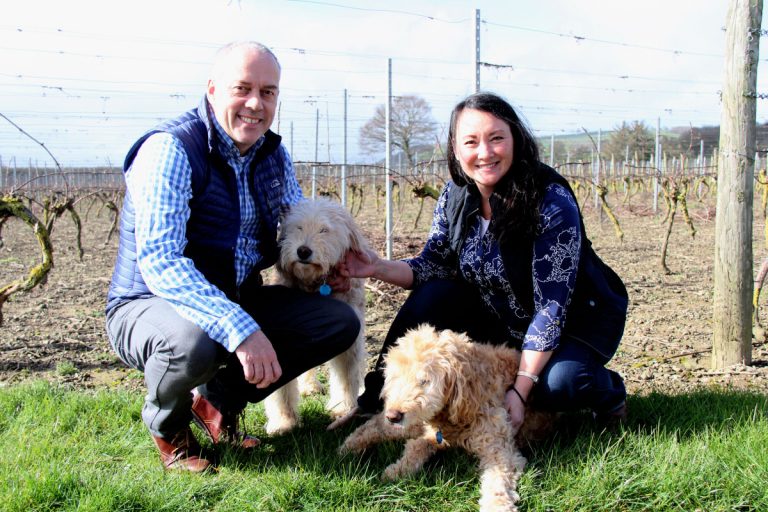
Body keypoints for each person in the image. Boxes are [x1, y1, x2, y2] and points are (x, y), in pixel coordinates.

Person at [105, 41, 360, 472]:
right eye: (242, 89)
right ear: (212, 90)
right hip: (150, 302)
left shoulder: (272, 155)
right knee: (197, 341)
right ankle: (169, 427)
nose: (255, 104)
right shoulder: (171, 150)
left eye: (268, 92)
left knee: (338, 321)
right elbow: (162, 262)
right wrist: (242, 330)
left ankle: (217, 404)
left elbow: (297, 222)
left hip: (235, 294)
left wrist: (334, 267)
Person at [336, 91, 629, 433]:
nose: (485, 152)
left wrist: (519, 391)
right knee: (434, 294)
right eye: (471, 142)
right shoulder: (455, 195)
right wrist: (376, 267)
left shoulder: (549, 200)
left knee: (559, 384)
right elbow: (433, 264)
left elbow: (551, 309)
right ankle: (375, 400)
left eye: (496, 138)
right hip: (504, 318)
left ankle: (609, 394)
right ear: (455, 149)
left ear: (515, 139)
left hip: (574, 321)